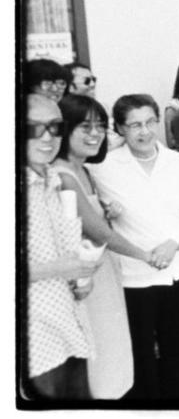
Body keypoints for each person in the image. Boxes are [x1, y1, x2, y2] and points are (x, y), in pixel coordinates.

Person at [88, 94, 179, 399]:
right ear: (120, 130)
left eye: (150, 122)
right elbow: (87, 205)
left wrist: (174, 243)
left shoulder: (176, 161)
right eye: (134, 125)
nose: (144, 132)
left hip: (177, 269)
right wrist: (105, 209)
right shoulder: (103, 167)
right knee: (139, 352)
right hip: (133, 277)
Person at [50, 94, 140, 399]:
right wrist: (145, 255)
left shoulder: (84, 170)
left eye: (101, 127)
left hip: (103, 274)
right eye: (84, 127)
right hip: (84, 280)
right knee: (98, 349)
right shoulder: (63, 175)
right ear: (64, 130)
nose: (95, 134)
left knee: (112, 343)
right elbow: (99, 233)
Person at [24, 94, 97, 399]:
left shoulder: (52, 179)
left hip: (71, 325)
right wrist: (59, 268)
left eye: (55, 127)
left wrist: (81, 277)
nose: (47, 137)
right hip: (35, 344)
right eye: (33, 128)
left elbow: (63, 249)